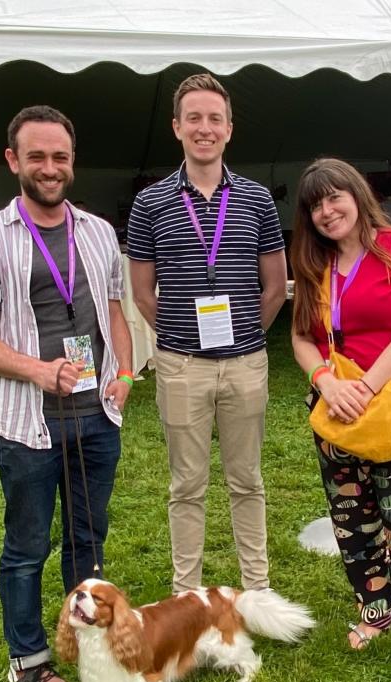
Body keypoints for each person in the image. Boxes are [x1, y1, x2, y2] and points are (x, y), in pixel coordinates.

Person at [0, 105, 133, 682]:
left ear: (72, 161)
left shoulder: (100, 232)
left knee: (88, 537)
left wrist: (126, 374)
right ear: (13, 162)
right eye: (37, 157)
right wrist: (38, 371)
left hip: (95, 416)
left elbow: (113, 312)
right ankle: (29, 662)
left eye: (60, 157)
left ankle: (85, 642)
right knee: (27, 545)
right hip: (25, 422)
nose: (50, 168)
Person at [290, 158, 391, 677]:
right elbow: (300, 337)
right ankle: (375, 610)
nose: (326, 210)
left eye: (334, 196)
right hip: (337, 408)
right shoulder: (313, 263)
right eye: (315, 204)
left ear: (358, 195)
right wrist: (326, 382)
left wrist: (363, 386)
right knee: (352, 520)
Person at [127, 73, 287, 594]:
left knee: (248, 481)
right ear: (176, 127)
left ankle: (257, 589)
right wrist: (180, 341)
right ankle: (186, 593)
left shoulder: (257, 200)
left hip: (246, 363)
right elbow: (143, 292)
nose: (204, 128)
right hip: (181, 365)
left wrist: (243, 339)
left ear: (229, 129)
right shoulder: (149, 203)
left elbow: (274, 286)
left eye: (214, 119)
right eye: (193, 118)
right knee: (186, 485)